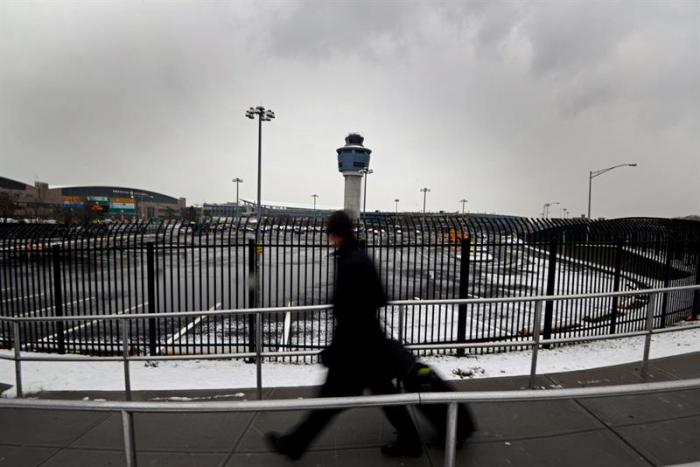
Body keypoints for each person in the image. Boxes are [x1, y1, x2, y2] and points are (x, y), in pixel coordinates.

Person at [265, 210, 422, 460]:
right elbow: (378, 298)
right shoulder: (359, 257)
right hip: (369, 346)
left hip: (353, 351)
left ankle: (294, 445)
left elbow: (349, 314)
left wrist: (335, 349)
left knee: (327, 402)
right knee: (383, 394)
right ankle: (412, 442)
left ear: (334, 234)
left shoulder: (350, 262)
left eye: (330, 234)